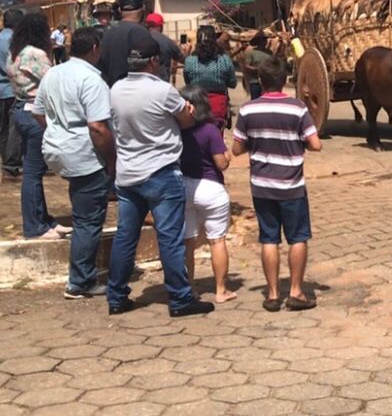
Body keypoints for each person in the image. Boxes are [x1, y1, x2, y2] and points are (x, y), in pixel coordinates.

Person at [106, 33, 214, 318]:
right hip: (161, 173)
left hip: (128, 175)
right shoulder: (163, 91)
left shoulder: (115, 89)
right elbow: (186, 119)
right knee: (169, 239)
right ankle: (180, 299)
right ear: (154, 62)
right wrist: (188, 111)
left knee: (125, 238)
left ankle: (116, 296)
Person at [32, 27, 115, 299]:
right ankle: (80, 282)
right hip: (85, 155)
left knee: (83, 210)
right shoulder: (92, 81)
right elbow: (98, 127)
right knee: (88, 221)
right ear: (94, 48)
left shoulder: (53, 73)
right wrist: (112, 160)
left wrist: (58, 130)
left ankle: (82, 276)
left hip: (59, 150)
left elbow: (38, 112)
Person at [233, 57, 322, 312]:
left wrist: (255, 141)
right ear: (285, 81)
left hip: (261, 186)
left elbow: (237, 149)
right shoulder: (298, 109)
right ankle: (296, 292)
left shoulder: (248, 110)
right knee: (298, 237)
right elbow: (315, 144)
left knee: (269, 239)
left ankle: (272, 294)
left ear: (260, 81)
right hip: (291, 186)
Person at [9, 13, 71, 240]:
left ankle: (43, 220)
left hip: (21, 110)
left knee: (33, 171)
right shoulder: (35, 54)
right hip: (34, 113)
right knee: (34, 173)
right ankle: (36, 227)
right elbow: (53, 79)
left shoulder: (17, 53)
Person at [179, 85, 235, 303]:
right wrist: (227, 156)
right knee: (217, 240)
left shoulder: (176, 129)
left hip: (184, 186)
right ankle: (221, 290)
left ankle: (189, 288)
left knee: (187, 242)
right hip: (211, 188)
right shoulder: (210, 130)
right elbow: (221, 164)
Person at [183, 26, 237, 127]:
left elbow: (188, 82)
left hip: (196, 105)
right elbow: (233, 83)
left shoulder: (189, 61)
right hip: (218, 107)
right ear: (214, 40)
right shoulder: (225, 60)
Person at [98, 0, 151, 86]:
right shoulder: (140, 32)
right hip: (132, 93)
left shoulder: (107, 32)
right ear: (143, 9)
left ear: (119, 10)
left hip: (109, 91)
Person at [0, 9, 23, 178]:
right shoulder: (14, 41)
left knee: (2, 129)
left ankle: (6, 158)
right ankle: (11, 163)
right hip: (10, 89)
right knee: (13, 128)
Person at [145, 13, 183, 83]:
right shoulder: (168, 42)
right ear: (161, 26)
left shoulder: (139, 40)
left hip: (143, 84)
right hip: (162, 83)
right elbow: (182, 59)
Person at [241, 32, 272, 100]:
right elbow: (247, 66)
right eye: (263, 40)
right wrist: (257, 69)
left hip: (267, 83)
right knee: (255, 101)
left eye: (265, 40)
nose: (265, 42)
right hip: (255, 82)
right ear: (258, 42)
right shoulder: (251, 53)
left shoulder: (270, 53)